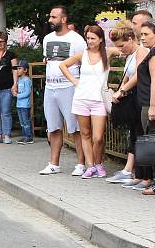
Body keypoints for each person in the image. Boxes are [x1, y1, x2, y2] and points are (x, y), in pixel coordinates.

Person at [59, 24, 118, 178]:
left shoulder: (107, 52)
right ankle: (91, 165)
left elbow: (126, 50)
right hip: (81, 98)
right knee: (85, 133)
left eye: (93, 38)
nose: (90, 41)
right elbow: (63, 65)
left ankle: (99, 163)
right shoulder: (82, 54)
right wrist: (74, 81)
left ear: (100, 40)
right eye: (88, 38)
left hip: (99, 100)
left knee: (98, 137)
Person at [38, 5, 87, 175]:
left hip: (69, 87)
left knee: (75, 128)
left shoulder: (77, 39)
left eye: (53, 17)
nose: (50, 20)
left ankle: (81, 164)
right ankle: (54, 163)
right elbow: (48, 61)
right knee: (53, 127)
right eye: (50, 17)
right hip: (51, 87)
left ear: (63, 19)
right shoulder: (47, 38)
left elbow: (84, 63)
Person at [107, 21, 150, 185]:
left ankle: (145, 176)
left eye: (122, 45)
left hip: (141, 98)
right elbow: (127, 75)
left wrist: (122, 90)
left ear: (131, 38)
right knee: (134, 136)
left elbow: (138, 75)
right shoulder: (130, 55)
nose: (120, 49)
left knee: (141, 136)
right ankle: (137, 174)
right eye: (117, 47)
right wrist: (120, 89)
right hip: (133, 101)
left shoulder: (141, 51)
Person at [134, 20, 155, 195]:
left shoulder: (153, 54)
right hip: (147, 102)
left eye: (146, 34)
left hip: (150, 103)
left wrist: (152, 106)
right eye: (141, 34)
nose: (142, 38)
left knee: (153, 142)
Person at [15, 60, 34, 144]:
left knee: (26, 121)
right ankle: (24, 136)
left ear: (25, 70)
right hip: (19, 104)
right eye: (17, 69)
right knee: (22, 122)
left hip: (25, 105)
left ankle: (29, 137)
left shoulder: (27, 80)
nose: (18, 70)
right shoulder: (19, 80)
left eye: (20, 68)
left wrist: (17, 95)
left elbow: (27, 92)